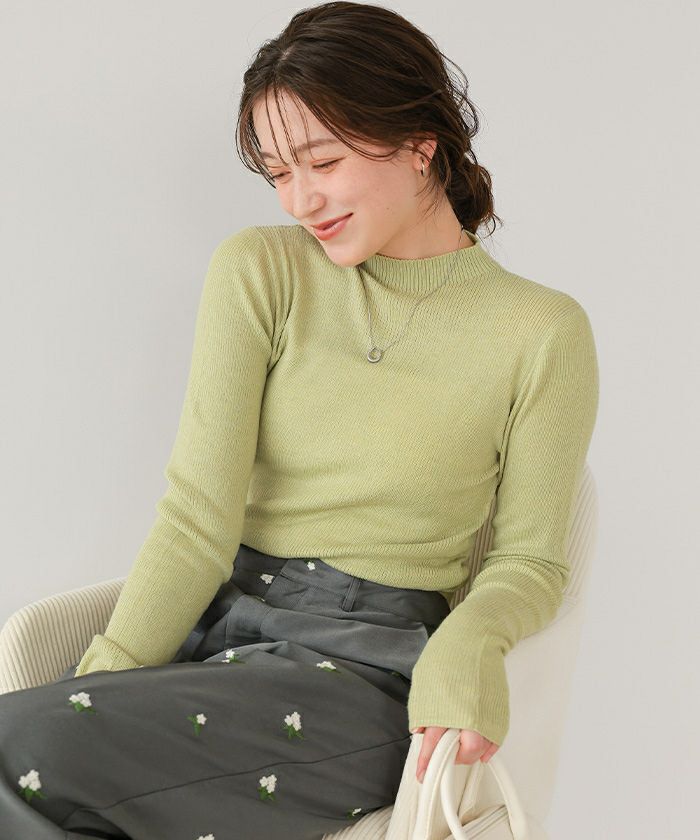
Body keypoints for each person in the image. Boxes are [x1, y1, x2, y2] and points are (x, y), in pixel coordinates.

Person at [0, 2, 599, 838]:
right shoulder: (262, 271)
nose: (299, 200)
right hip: (223, 635)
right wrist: (99, 677)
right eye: (279, 173)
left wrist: (472, 641)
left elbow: (530, 560)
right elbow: (197, 520)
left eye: (322, 161)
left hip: (363, 671)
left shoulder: (540, 331)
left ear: (421, 141)